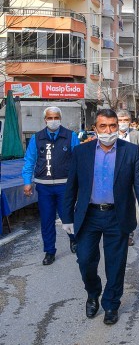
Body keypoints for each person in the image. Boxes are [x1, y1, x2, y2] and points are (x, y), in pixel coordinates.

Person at [60, 109, 139, 325]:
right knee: (85, 260)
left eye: (113, 126)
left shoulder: (129, 151)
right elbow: (71, 187)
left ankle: (111, 304)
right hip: (88, 216)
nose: (109, 130)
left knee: (116, 263)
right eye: (103, 126)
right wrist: (66, 218)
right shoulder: (81, 152)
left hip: (117, 216)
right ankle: (93, 293)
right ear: (95, 128)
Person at [22, 106, 80, 265]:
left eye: (56, 117)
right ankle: (49, 251)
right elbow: (29, 161)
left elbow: (79, 160)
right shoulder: (37, 138)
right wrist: (27, 182)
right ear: (45, 120)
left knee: (67, 216)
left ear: (60, 119)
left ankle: (74, 239)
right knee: (47, 220)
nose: (53, 120)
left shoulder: (70, 136)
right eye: (50, 118)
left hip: (65, 186)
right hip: (44, 187)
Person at [117, 110, 139, 247]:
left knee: (130, 205)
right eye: (120, 120)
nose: (123, 123)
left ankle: (129, 233)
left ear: (130, 121)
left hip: (133, 176)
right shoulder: (110, 135)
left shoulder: (138, 135)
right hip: (116, 177)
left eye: (125, 120)